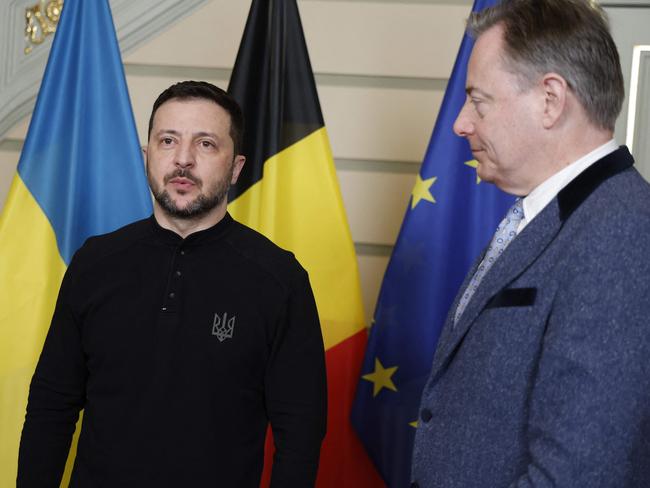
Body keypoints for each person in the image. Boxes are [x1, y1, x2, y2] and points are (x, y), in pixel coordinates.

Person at [17, 81, 327, 487]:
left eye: (205, 145)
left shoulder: (279, 279)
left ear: (235, 167)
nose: (183, 160)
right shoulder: (94, 264)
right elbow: (51, 407)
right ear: (147, 156)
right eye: (168, 141)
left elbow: (300, 433)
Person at [411, 1, 650, 487]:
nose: (461, 123)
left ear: (550, 99)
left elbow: (580, 474)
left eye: (479, 100)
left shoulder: (621, 229)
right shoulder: (547, 215)